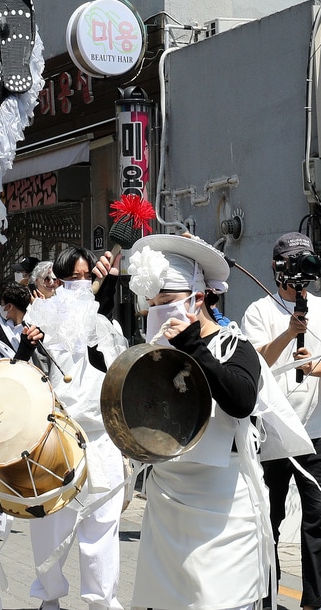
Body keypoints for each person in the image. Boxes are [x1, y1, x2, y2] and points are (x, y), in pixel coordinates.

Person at [125, 234, 268, 610]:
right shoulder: (152, 356)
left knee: (220, 601)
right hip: (168, 498)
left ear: (198, 298)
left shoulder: (236, 346)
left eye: (168, 303)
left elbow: (241, 400)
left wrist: (194, 346)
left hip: (224, 503)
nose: (159, 313)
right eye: (152, 306)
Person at [240, 232, 321, 610]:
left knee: (317, 521)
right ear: (276, 268)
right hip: (271, 430)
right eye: (292, 264)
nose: (298, 273)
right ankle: (266, 595)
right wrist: (289, 332)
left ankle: (313, 603)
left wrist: (312, 364)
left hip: (318, 432)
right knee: (267, 518)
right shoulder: (259, 311)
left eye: (305, 263)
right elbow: (256, 364)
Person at [21, 247, 128, 610]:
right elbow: (24, 374)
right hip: (56, 437)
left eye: (87, 277)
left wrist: (110, 281)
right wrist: (26, 346)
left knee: (102, 520)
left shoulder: (104, 323)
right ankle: (48, 594)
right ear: (57, 282)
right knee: (53, 523)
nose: (81, 284)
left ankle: (102, 599)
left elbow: (112, 367)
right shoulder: (40, 323)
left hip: (101, 437)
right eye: (72, 278)